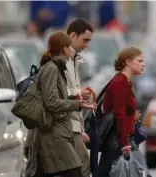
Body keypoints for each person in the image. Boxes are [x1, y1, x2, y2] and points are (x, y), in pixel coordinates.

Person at [25, 32, 96, 177]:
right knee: (75, 171)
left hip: (58, 132)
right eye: (69, 46)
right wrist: (76, 104)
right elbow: (51, 102)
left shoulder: (56, 67)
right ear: (64, 49)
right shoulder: (52, 68)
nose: (71, 50)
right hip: (54, 133)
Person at [98, 47, 146, 177]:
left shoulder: (125, 81)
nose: (143, 64)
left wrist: (131, 116)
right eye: (140, 61)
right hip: (118, 141)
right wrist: (125, 145)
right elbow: (119, 114)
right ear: (128, 62)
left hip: (121, 139)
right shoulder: (120, 82)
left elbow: (122, 111)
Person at [63, 18, 94, 177]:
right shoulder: (63, 60)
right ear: (73, 36)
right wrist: (79, 94)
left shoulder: (74, 59)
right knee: (82, 168)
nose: (86, 45)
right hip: (66, 125)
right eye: (85, 40)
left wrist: (81, 129)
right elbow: (56, 94)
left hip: (73, 125)